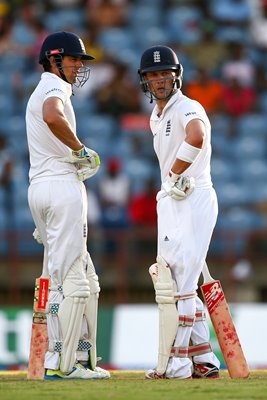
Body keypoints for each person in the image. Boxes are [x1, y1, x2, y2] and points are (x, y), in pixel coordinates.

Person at [25, 31, 110, 380]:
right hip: (61, 187)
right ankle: (62, 363)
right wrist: (81, 151)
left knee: (81, 276)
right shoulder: (53, 89)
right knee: (69, 279)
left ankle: (79, 355)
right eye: (74, 60)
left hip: (41, 188)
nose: (78, 67)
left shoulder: (42, 88)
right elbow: (52, 116)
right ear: (54, 60)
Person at [138, 45, 220, 379]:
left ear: (177, 76)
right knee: (177, 279)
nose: (159, 80)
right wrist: (170, 184)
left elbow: (197, 136)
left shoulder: (188, 106)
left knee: (180, 287)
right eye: (152, 75)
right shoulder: (156, 116)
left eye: (164, 74)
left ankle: (177, 362)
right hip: (172, 200)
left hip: (192, 196)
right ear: (145, 80)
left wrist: (174, 173)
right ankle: (204, 360)